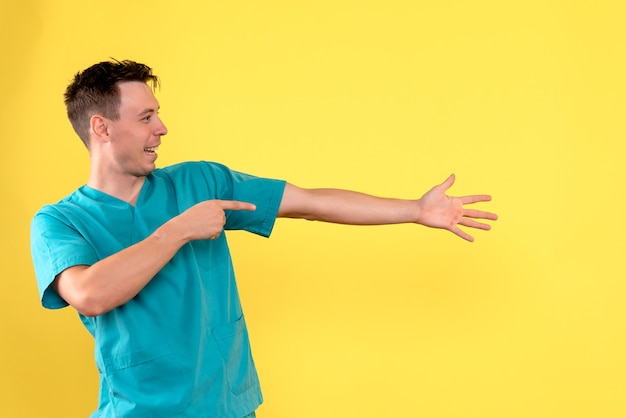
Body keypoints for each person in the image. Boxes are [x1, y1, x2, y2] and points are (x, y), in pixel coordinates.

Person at [30, 59, 497, 418]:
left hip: (226, 405)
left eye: (158, 115)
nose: (162, 128)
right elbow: (89, 294)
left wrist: (415, 210)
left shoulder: (200, 182)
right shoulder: (59, 221)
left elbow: (309, 202)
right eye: (146, 116)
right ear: (101, 127)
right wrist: (179, 229)